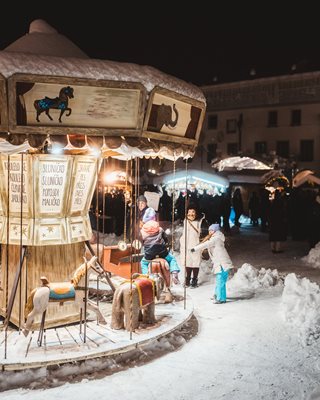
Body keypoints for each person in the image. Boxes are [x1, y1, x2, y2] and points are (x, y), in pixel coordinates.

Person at [191, 223, 234, 304]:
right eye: (209, 230)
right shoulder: (217, 237)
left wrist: (194, 249)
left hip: (222, 263)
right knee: (220, 281)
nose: (209, 231)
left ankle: (220, 298)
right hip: (223, 262)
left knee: (220, 281)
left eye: (211, 230)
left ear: (215, 231)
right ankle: (218, 295)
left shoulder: (216, 238)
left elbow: (206, 244)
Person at [139, 209, 180, 284]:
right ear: (154, 218)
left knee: (143, 263)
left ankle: (146, 277)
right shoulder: (160, 229)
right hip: (162, 252)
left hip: (149, 254)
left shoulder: (142, 231)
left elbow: (141, 242)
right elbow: (166, 239)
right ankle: (174, 273)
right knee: (172, 259)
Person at [179, 206, 206, 288]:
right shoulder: (185, 221)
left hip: (196, 246)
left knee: (195, 263)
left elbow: (203, 233)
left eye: (193, 212)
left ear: (196, 213)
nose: (191, 214)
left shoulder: (199, 221)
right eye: (189, 212)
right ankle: (187, 279)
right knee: (188, 262)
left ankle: (194, 279)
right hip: (186, 246)